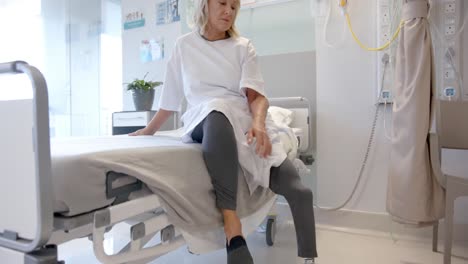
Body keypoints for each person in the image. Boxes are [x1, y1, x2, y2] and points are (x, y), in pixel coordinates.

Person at [129, 0, 317, 262]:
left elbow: (257, 97)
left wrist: (259, 125)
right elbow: (169, 101)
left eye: (233, 6)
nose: (229, 11)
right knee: (216, 110)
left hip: (240, 118)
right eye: (222, 3)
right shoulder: (184, 46)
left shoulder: (243, 47)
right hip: (203, 119)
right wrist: (148, 131)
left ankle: (309, 258)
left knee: (299, 191)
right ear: (205, 5)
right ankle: (232, 226)